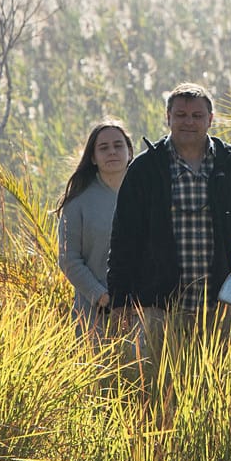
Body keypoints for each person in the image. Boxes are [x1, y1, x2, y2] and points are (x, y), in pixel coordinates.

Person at [107, 83, 231, 340]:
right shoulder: (146, 168)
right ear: (168, 118)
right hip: (157, 306)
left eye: (197, 116)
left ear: (210, 119)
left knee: (215, 379)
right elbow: (124, 238)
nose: (189, 122)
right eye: (181, 116)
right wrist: (119, 301)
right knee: (155, 380)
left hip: (218, 304)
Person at [56, 120, 134, 335]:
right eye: (103, 148)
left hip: (140, 312)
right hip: (94, 314)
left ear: (129, 151)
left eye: (118, 146)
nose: (112, 152)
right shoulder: (78, 201)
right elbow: (68, 258)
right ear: (92, 157)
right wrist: (101, 295)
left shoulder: (146, 194)